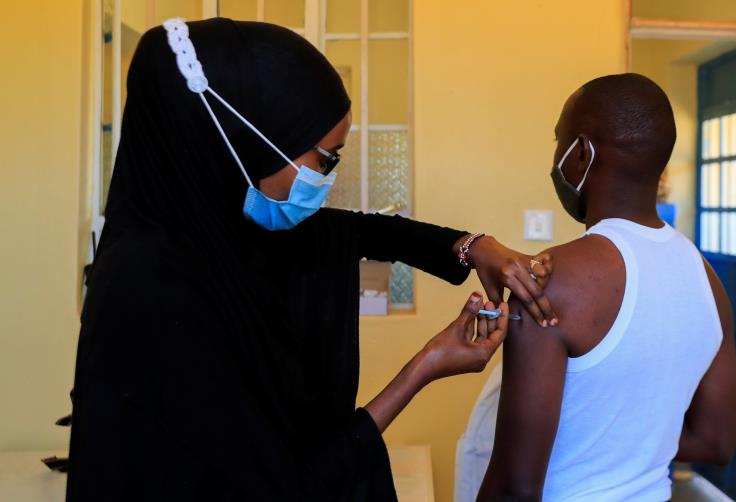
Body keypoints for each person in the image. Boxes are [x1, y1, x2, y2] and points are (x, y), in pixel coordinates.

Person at [66, 18, 556, 502]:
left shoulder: (220, 235)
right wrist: (424, 367)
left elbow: (364, 231)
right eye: (324, 160)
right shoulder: (152, 289)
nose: (325, 182)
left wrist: (474, 247)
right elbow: (283, 488)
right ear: (248, 143)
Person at [456, 73, 736, 502]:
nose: (554, 159)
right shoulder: (708, 282)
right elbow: (716, 441)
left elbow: (514, 489)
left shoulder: (554, 278)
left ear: (582, 153)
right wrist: (633, 433)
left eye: (559, 142)